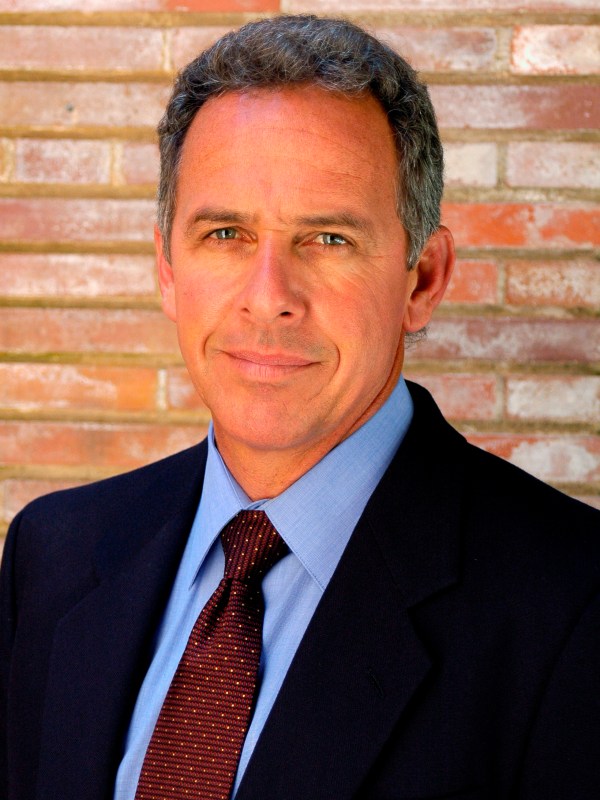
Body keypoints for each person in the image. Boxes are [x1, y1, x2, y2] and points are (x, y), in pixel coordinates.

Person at [1, 15, 598, 800]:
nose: (269, 297)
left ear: (422, 279)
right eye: (225, 233)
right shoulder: (53, 555)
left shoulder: (573, 603)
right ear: (168, 270)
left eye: (328, 239)